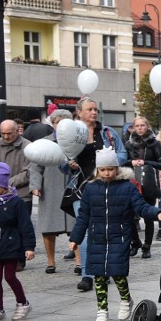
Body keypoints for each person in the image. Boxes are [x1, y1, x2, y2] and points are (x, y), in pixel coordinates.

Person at [69, 149, 161, 321]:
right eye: (103, 169)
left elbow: (141, 207)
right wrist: (75, 238)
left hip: (119, 237)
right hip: (97, 238)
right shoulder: (91, 188)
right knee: (98, 275)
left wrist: (158, 212)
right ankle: (102, 309)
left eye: (110, 169)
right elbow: (83, 216)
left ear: (117, 168)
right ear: (97, 170)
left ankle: (125, 300)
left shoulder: (127, 187)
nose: (107, 173)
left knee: (118, 273)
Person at [63, 97, 127, 292]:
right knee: (85, 230)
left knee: (102, 230)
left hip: (105, 186)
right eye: (89, 109)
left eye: (95, 109)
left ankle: (102, 270)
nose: (93, 113)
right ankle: (86, 275)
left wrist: (111, 159)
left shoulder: (107, 133)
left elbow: (123, 154)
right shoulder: (71, 133)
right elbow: (60, 161)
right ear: (79, 112)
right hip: (80, 187)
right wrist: (68, 164)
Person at [29, 109, 79, 274]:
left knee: (76, 226)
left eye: (64, 122)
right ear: (53, 124)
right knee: (48, 227)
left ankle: (79, 262)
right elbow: (35, 167)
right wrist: (35, 185)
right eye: (57, 122)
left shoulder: (78, 141)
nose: (60, 126)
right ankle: (50, 262)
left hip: (73, 188)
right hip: (50, 189)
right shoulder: (44, 142)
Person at [0, 162, 35, 321]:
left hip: (11, 245)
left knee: (9, 276)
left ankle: (23, 303)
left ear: (2, 185)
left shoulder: (16, 203)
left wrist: (29, 247)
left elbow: (25, 226)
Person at [125, 116, 161, 259]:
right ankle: (135, 242)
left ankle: (147, 246)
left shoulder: (154, 144)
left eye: (143, 125)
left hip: (149, 182)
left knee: (148, 215)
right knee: (129, 215)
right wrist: (132, 162)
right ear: (134, 127)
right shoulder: (128, 144)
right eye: (137, 125)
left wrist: (146, 162)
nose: (140, 128)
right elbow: (122, 162)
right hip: (132, 181)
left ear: (147, 126)